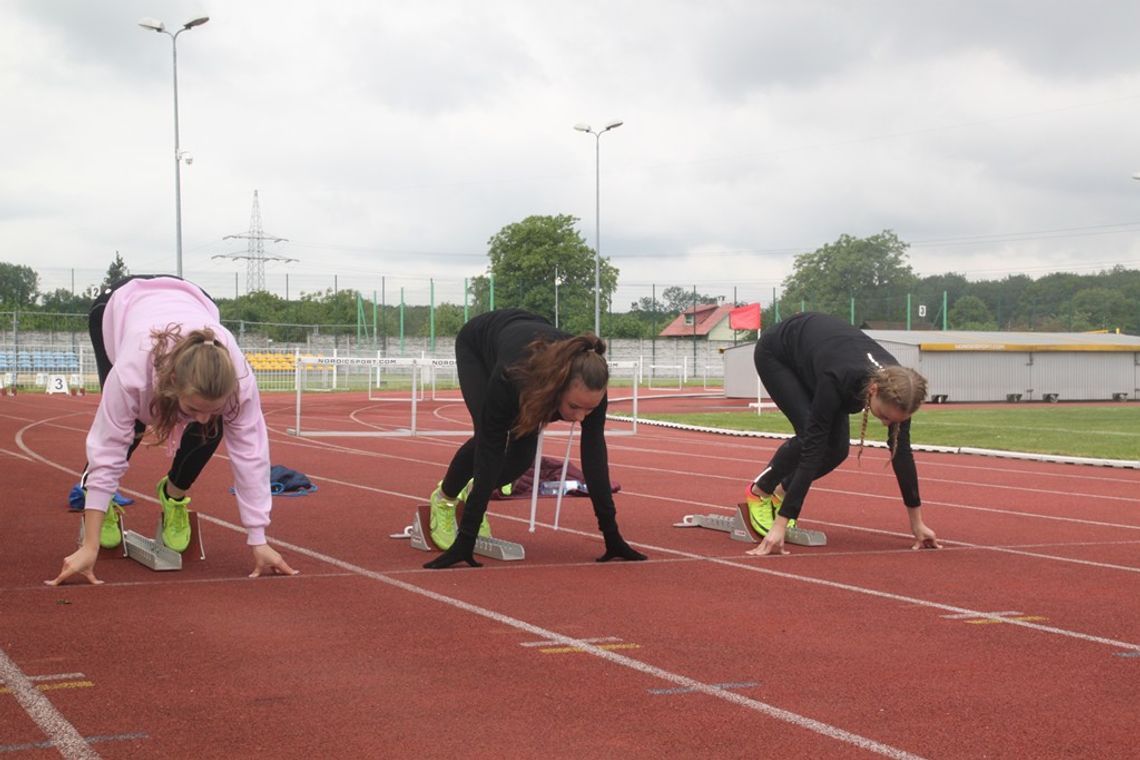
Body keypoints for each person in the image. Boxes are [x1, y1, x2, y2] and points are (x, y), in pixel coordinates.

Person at [46, 275, 298, 585]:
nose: (201, 419)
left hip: (194, 297)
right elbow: (108, 444)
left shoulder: (240, 381)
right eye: (191, 409)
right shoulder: (132, 375)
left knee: (212, 424)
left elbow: (251, 454)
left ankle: (173, 495)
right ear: (171, 385)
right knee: (132, 421)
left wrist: (258, 539)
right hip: (117, 307)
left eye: (211, 409)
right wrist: (90, 545)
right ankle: (103, 503)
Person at [423, 308, 647, 569]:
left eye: (589, 409)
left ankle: (474, 491)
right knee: (489, 434)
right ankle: (446, 498)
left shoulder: (592, 385)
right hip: (479, 343)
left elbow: (594, 456)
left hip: (530, 339)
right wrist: (467, 539)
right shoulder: (513, 376)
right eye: (574, 407)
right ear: (557, 387)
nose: (581, 417)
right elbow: (489, 448)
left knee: (520, 460)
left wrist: (612, 535)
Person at [743, 311, 940, 556]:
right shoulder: (839, 379)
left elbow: (901, 455)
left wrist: (917, 524)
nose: (886, 424)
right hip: (779, 353)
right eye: (885, 417)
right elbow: (813, 449)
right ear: (873, 391)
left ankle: (780, 495)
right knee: (809, 436)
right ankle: (760, 491)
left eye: (895, 421)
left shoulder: (903, 391)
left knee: (837, 450)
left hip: (819, 355)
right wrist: (780, 525)